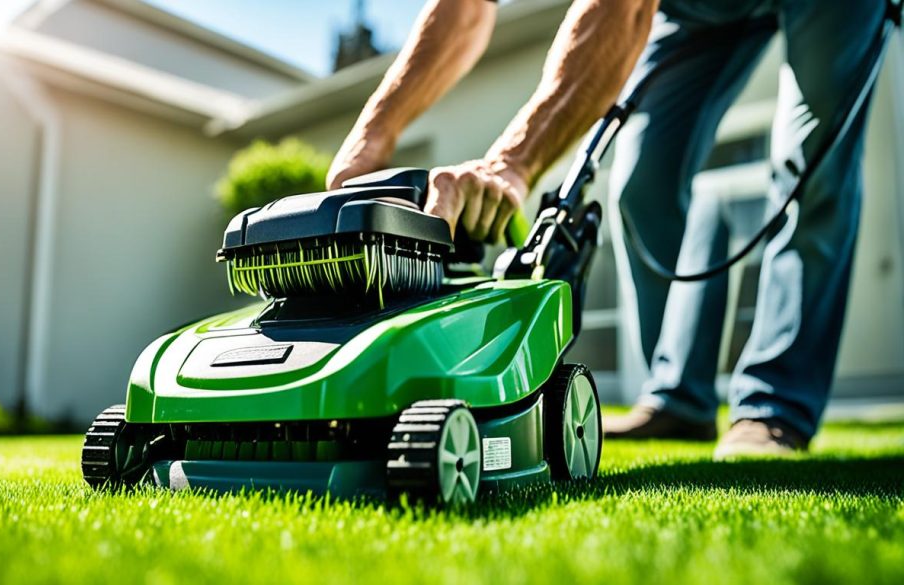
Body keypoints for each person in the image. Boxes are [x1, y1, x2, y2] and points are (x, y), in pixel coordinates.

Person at [326, 0, 885, 459]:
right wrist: (368, 142)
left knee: (810, 167)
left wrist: (510, 165)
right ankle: (679, 401)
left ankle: (774, 407)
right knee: (642, 186)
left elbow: (621, 7)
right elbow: (463, 10)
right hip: (700, 12)